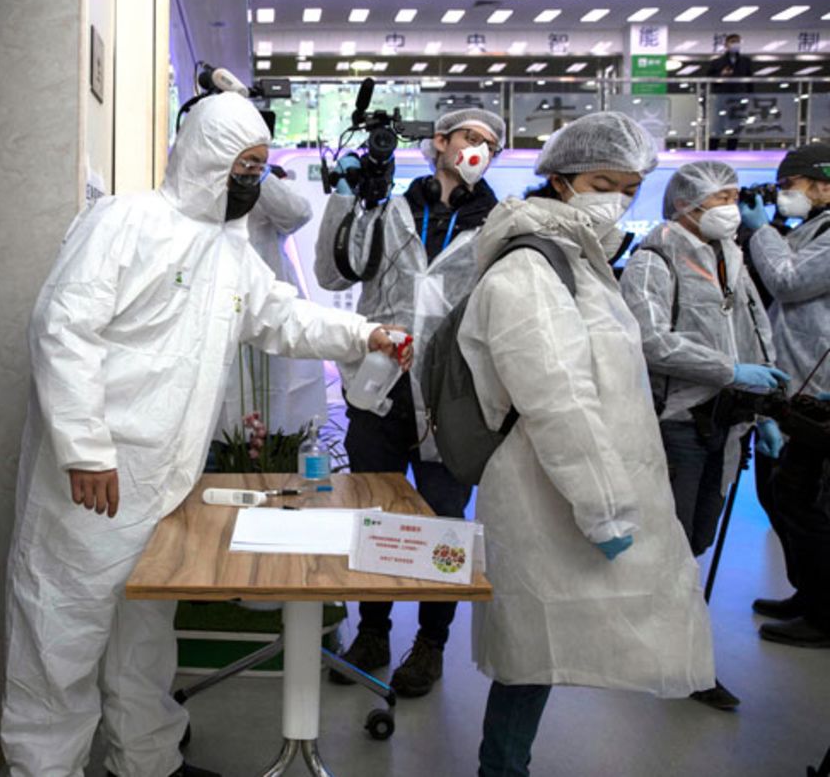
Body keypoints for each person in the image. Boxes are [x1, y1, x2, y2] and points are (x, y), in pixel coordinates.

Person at [0, 91, 413, 777]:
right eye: (243, 166)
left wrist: (361, 332)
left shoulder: (228, 250)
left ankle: (149, 761)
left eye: (260, 166)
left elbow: (282, 315)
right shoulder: (124, 220)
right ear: (206, 159)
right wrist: (85, 449)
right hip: (91, 482)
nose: (252, 181)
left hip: (163, 483)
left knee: (143, 636)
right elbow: (61, 327)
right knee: (59, 637)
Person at [457, 112, 714, 776]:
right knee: (530, 652)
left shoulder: (579, 259)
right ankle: (501, 770)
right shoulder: (530, 269)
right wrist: (604, 507)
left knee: (537, 655)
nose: (617, 199)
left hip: (578, 484)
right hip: (552, 489)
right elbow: (557, 399)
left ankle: (504, 766)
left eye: (630, 187)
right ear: (559, 179)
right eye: (604, 181)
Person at [314, 107, 506, 698]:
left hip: (453, 396)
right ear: (441, 142)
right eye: (471, 138)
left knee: (444, 522)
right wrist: (348, 200)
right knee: (372, 512)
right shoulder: (389, 207)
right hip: (381, 390)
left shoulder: (498, 225)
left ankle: (430, 643)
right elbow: (332, 276)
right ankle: (372, 632)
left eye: (492, 146)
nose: (480, 150)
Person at [620, 160, 788, 709]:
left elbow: (754, 334)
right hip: (677, 423)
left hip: (727, 422)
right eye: (722, 197)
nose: (731, 207)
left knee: (696, 540)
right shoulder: (655, 257)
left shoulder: (731, 256)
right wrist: (727, 371)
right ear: (688, 204)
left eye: (736, 196)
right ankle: (678, 656)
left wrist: (762, 412)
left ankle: (671, 644)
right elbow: (648, 339)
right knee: (672, 544)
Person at [739, 143, 830, 649]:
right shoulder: (817, 228)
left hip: (822, 392)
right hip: (803, 386)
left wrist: (763, 231)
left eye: (789, 187)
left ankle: (824, 612)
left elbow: (789, 280)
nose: (783, 197)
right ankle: (811, 594)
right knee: (784, 495)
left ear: (820, 184)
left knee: (801, 499)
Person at [215, 171, 326, 441]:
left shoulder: (264, 184)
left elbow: (297, 213)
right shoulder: (204, 184)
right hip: (219, 311)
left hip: (269, 307)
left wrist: (257, 173)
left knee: (274, 403)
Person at [706, 33, 754, 151]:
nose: (735, 44)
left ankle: (731, 149)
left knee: (736, 125)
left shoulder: (745, 61)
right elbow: (709, 79)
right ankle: (712, 150)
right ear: (726, 44)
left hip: (739, 97)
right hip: (721, 97)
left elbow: (750, 80)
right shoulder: (717, 62)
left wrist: (749, 97)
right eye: (733, 42)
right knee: (718, 125)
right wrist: (721, 75)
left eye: (737, 42)